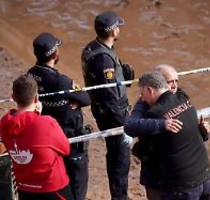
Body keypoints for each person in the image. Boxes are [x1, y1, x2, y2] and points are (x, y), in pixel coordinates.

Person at [125, 72, 210, 200]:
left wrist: (136, 149)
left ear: (150, 90)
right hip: (206, 178)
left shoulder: (154, 114)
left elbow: (132, 130)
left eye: (142, 94)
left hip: (183, 186)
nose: (142, 99)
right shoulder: (183, 98)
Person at [27, 32, 91, 200]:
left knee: (58, 181)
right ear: (55, 54)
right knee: (78, 180)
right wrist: (74, 101)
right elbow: (86, 98)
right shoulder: (62, 81)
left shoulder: (30, 75)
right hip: (68, 138)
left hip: (46, 138)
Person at [81, 11, 134, 200]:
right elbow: (110, 96)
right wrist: (126, 123)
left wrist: (124, 77)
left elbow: (108, 87)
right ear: (112, 31)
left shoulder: (94, 47)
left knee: (116, 154)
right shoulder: (103, 59)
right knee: (120, 158)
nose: (119, 29)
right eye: (117, 26)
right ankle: (120, 197)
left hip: (104, 111)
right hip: (112, 116)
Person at [0, 75, 73, 200]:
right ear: (36, 98)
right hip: (52, 187)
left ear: (13, 98)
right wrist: (38, 115)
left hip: (25, 187)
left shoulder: (4, 123)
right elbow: (66, 149)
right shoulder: (47, 123)